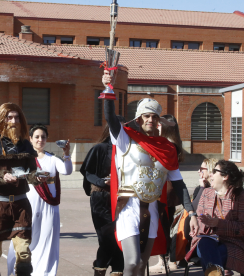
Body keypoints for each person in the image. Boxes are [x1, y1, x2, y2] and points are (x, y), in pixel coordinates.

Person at [102, 72, 198, 276]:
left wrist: (192, 212)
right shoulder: (125, 139)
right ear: (139, 118)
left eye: (154, 117)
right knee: (132, 262)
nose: (150, 120)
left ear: (159, 121)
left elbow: (179, 184)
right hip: (128, 206)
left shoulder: (167, 148)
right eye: (146, 116)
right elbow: (110, 117)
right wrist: (109, 89)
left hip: (153, 208)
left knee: (141, 264)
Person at [0, 102, 42, 276]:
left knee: (24, 252)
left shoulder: (26, 145)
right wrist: (1, 176)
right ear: (1, 119)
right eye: (9, 117)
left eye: (17, 117)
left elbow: (31, 172)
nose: (14, 121)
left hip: (20, 204)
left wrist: (38, 177)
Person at [7, 124, 72, 276]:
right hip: (30, 202)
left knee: (48, 238)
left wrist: (67, 154)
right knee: (27, 237)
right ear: (30, 139)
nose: (40, 140)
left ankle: (45, 272)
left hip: (49, 205)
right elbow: (16, 175)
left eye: (43, 137)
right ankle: (20, 268)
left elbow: (67, 171)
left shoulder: (52, 159)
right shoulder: (25, 158)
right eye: (36, 137)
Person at [80, 118, 125, 276]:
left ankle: (117, 270)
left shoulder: (127, 150)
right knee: (107, 238)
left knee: (121, 238)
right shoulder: (99, 148)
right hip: (102, 198)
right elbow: (87, 171)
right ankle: (100, 269)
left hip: (123, 199)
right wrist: (101, 181)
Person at [185, 160, 244, 276]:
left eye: (214, 171)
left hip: (232, 243)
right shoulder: (206, 193)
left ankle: (215, 272)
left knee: (215, 255)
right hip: (206, 240)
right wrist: (202, 222)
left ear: (225, 177)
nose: (210, 174)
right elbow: (199, 220)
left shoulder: (240, 196)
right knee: (206, 244)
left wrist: (218, 223)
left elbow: (242, 228)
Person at [150, 114, 184, 272]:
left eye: (159, 123)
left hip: (166, 188)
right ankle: (167, 260)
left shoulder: (168, 144)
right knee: (166, 224)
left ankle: (167, 261)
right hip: (168, 188)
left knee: (164, 225)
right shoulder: (174, 142)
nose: (156, 125)